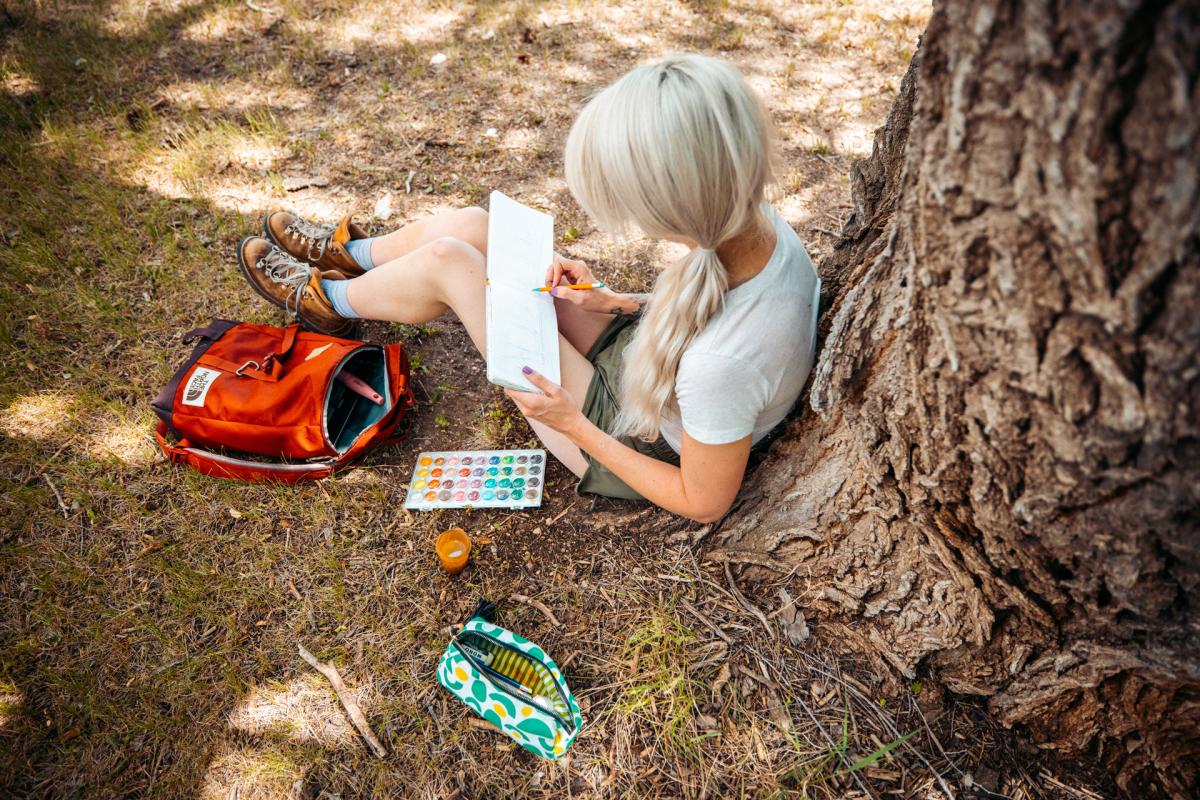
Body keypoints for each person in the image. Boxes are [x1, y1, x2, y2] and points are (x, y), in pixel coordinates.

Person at [236, 53, 821, 523]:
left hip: (628, 437)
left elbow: (702, 500)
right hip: (652, 362)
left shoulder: (720, 367)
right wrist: (615, 302)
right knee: (472, 228)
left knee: (451, 262)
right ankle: (352, 256)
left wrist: (573, 424)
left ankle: (324, 302)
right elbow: (711, 312)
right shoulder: (758, 224)